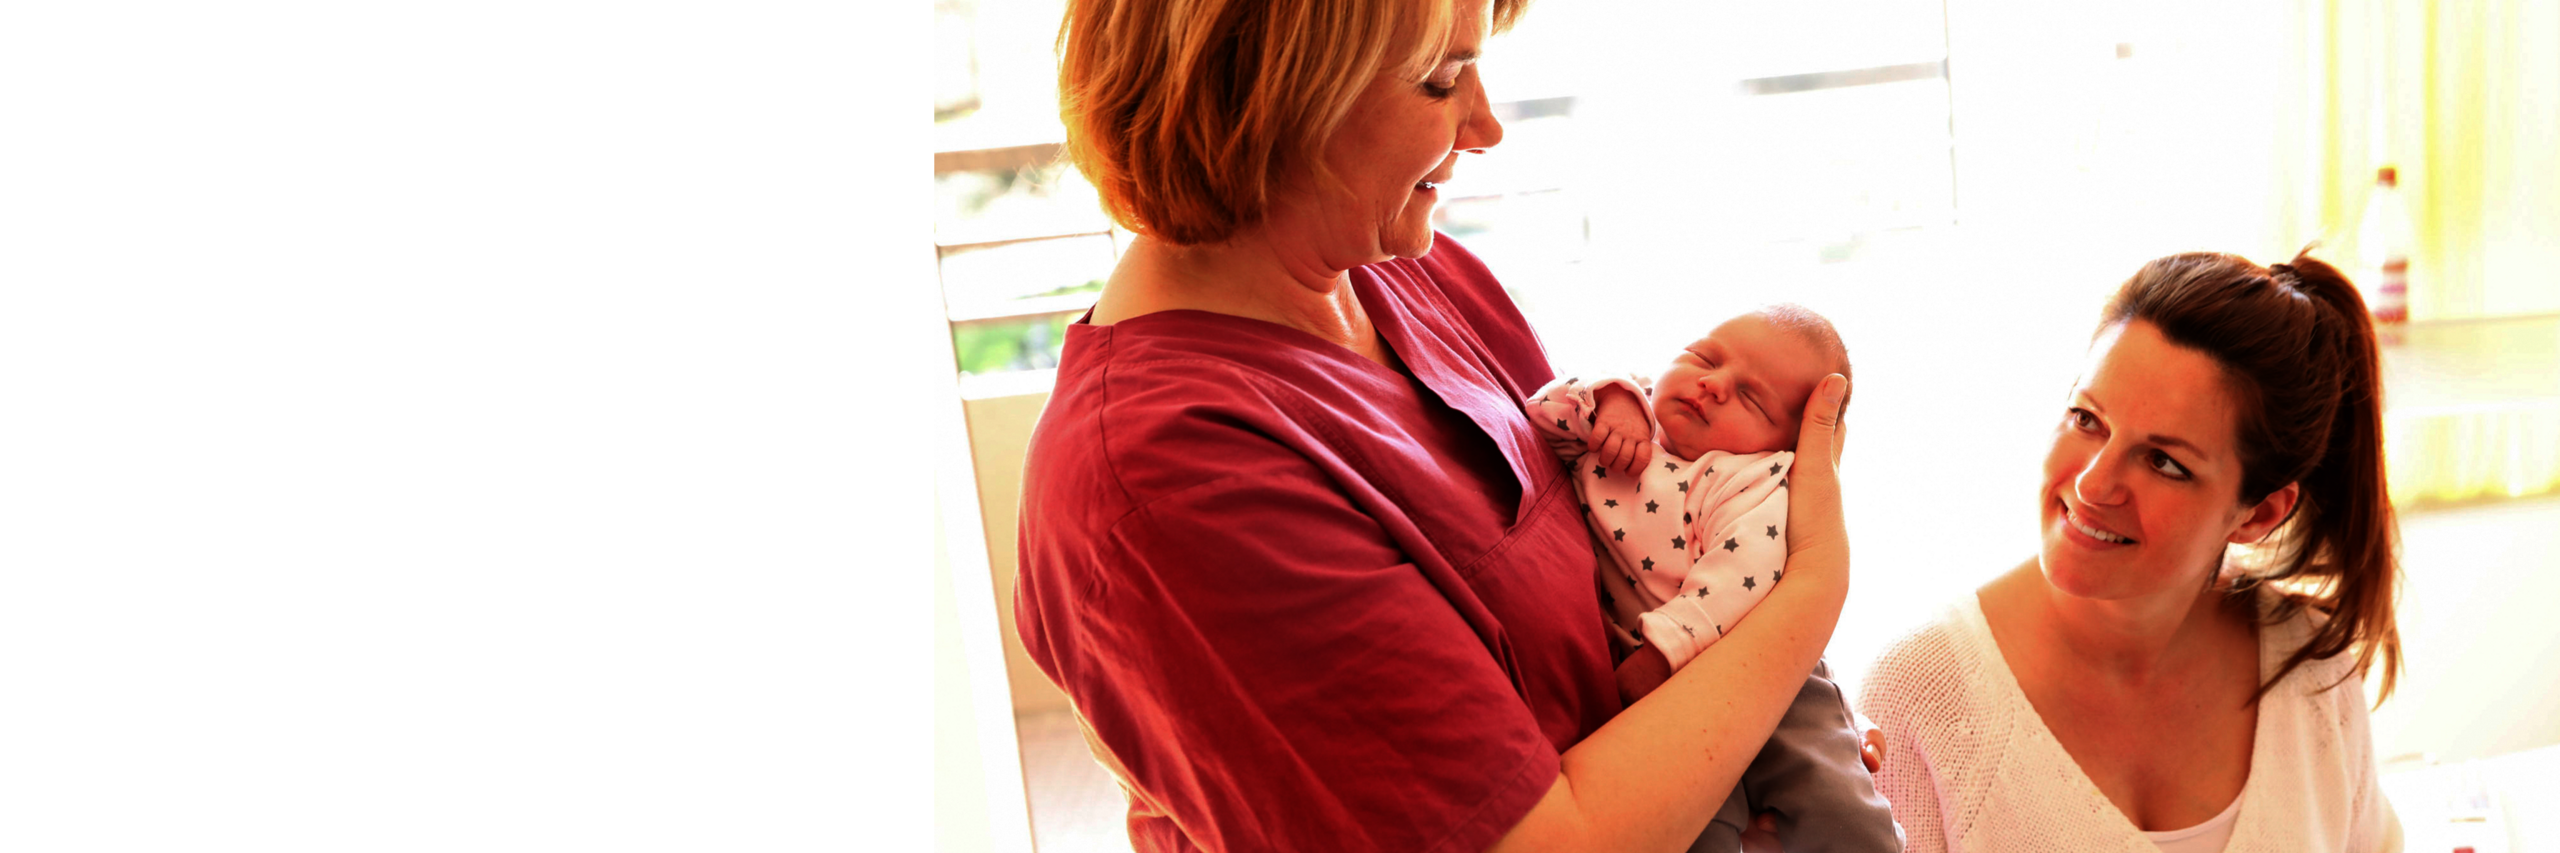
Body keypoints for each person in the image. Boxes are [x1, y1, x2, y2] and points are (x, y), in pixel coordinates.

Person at [1009, 0, 1855, 850]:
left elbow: (1608, 564)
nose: (1486, 127)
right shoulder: (1173, 480)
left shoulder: (1403, 266)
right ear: (1270, 95)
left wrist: (1770, 742)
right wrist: (1812, 589)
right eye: (1442, 79)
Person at [1857, 251, 2405, 852]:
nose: (2093, 484)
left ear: (2259, 514)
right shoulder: (1922, 692)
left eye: (2164, 461)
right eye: (2086, 418)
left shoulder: (2315, 675)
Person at [1529, 304, 1900, 853]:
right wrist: (1610, 399)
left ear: (1788, 442)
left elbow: (1739, 575)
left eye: (1750, 397)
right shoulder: (1626, 418)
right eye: (1703, 356)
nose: (1713, 384)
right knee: (1691, 823)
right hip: (1652, 688)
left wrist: (1661, 655)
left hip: (1768, 667)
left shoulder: (1755, 477)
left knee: (1835, 800)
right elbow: (1537, 413)